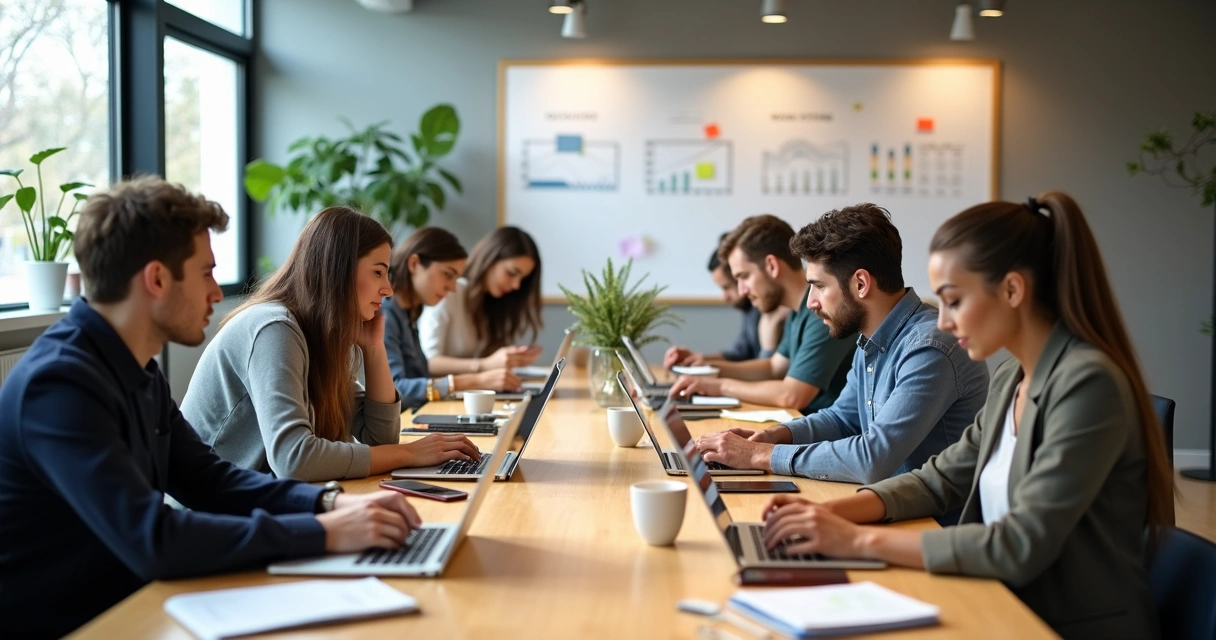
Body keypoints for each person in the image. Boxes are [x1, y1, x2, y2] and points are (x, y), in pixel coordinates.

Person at [0, 178, 424, 638]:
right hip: (81, 620)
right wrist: (327, 532)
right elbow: (153, 538)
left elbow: (210, 480)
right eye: (206, 273)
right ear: (157, 279)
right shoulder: (61, 384)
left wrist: (327, 503)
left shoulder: (135, 368)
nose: (218, 294)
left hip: (133, 600)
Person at [759, 193, 1174, 639]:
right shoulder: (1013, 374)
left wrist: (857, 539)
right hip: (1001, 600)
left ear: (1013, 290)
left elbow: (1020, 543)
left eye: (954, 301)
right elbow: (942, 478)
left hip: (1059, 624)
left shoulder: (1088, 384)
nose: (944, 322)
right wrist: (835, 513)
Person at [695, 204, 990, 484]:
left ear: (860, 283)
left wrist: (761, 455)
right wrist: (771, 436)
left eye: (819, 286)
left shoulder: (929, 348)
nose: (810, 302)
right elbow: (842, 420)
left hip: (930, 525)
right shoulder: (872, 338)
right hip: (884, 505)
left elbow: (871, 458)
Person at [182, 207, 479, 482]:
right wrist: (411, 453)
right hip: (208, 515)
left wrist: (374, 349)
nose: (388, 288)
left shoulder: (318, 335)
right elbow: (294, 459)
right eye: (378, 272)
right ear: (339, 270)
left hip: (256, 506)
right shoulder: (275, 329)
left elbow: (379, 438)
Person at [668, 215, 856, 414]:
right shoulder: (798, 311)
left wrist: (719, 386)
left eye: (744, 277)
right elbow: (773, 368)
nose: (742, 290)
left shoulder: (821, 313)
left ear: (772, 266)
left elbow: (792, 395)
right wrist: (706, 367)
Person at [384, 227, 521, 409]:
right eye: (448, 275)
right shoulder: (385, 313)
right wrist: (475, 380)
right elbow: (394, 390)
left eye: (456, 279)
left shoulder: (408, 313)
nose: (453, 288)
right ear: (414, 264)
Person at [418, 226, 544, 388]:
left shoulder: (493, 304)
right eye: (512, 273)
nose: (516, 285)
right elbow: (427, 362)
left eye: (522, 279)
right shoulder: (450, 292)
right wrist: (484, 365)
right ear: (490, 259)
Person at [664, 234, 790, 366]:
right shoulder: (750, 310)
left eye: (726, 287)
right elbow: (740, 354)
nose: (724, 297)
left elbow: (773, 373)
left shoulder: (775, 310)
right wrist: (697, 360)